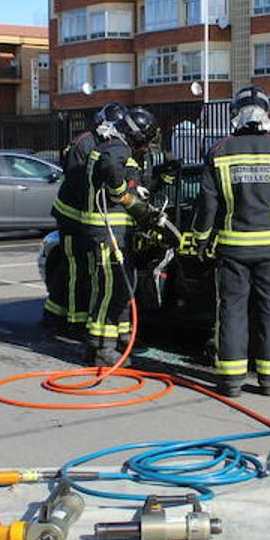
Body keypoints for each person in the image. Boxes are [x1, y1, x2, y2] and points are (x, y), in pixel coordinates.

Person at [193, 86, 270, 397]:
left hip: (232, 248)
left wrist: (200, 242)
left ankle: (231, 381)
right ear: (267, 114)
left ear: (235, 114)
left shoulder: (219, 151)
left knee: (231, 309)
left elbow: (207, 207)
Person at [83, 107, 163, 367]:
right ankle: (103, 351)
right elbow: (110, 168)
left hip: (105, 229)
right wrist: (123, 194)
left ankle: (98, 344)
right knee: (112, 289)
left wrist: (134, 189)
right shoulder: (118, 148)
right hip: (109, 230)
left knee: (109, 288)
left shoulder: (109, 144)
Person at [45, 102, 126, 337]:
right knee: (74, 269)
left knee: (81, 270)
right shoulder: (83, 144)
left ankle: (55, 313)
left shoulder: (103, 144)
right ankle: (74, 320)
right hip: (72, 218)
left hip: (86, 217)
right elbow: (80, 183)